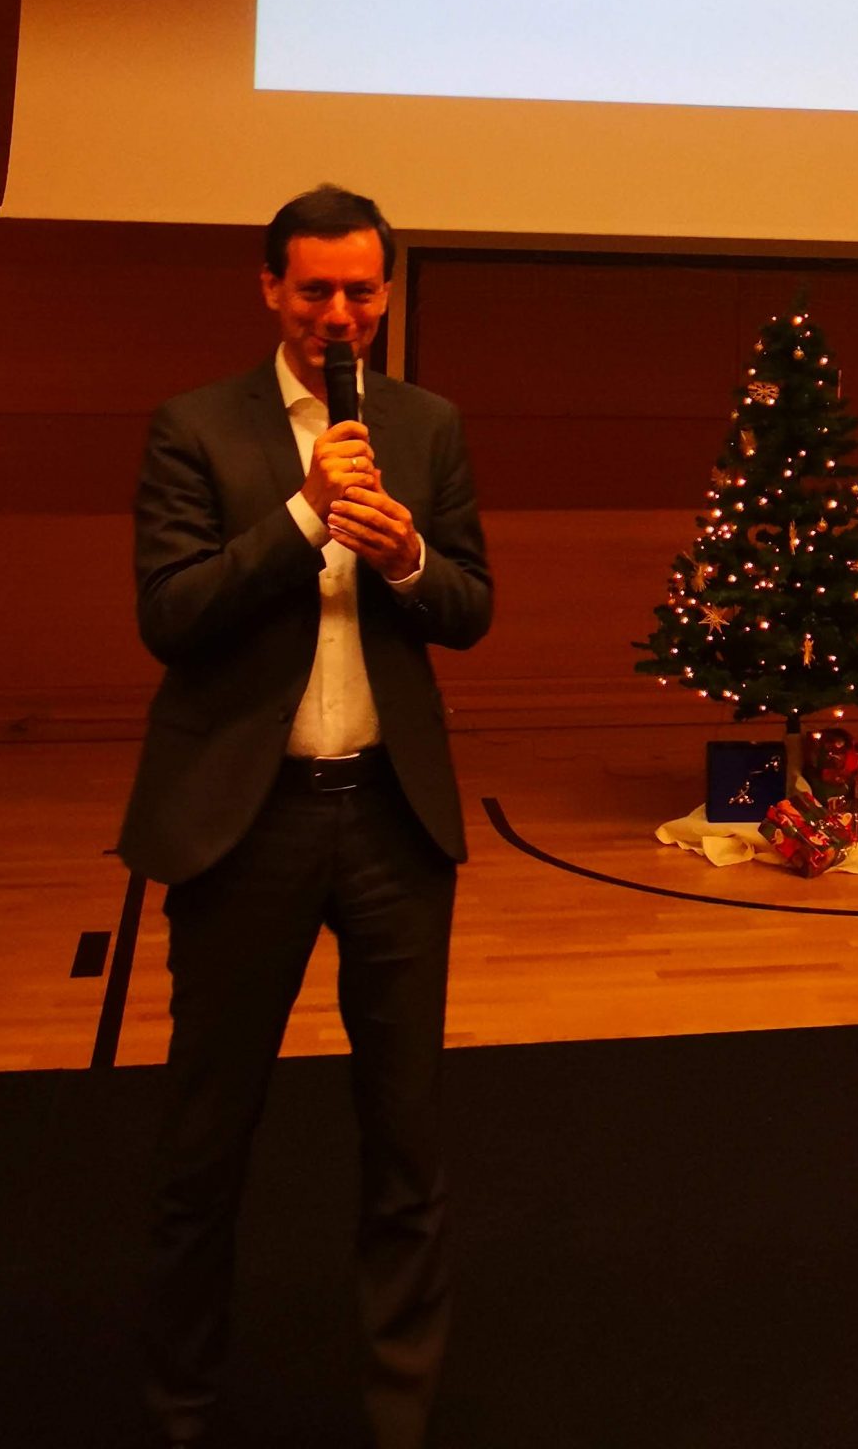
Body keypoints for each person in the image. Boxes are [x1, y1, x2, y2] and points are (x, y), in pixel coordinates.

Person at [119, 182, 493, 1449]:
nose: (340, 313)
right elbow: (170, 614)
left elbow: (471, 605)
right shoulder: (196, 427)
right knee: (206, 1141)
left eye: (362, 290)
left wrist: (405, 559)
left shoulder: (427, 426)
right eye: (317, 289)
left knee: (407, 1141)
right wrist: (300, 516)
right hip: (249, 824)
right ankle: (180, 1408)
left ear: (387, 294)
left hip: (391, 820)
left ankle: (399, 1414)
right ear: (272, 289)